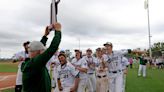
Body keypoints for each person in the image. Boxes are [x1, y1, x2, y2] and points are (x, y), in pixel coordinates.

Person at [21, 23, 61, 92]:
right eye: (43, 50)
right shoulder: (35, 63)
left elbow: (38, 46)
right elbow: (52, 48)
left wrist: (45, 35)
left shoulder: (32, 62)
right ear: (39, 52)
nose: (43, 52)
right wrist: (58, 31)